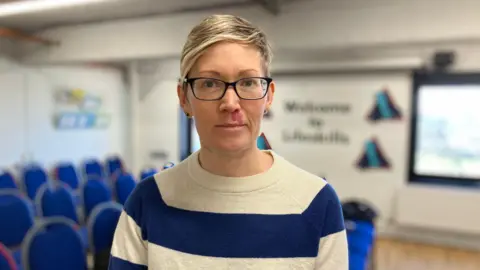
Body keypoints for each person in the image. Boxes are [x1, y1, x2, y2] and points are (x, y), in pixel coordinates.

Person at [109, 14, 348, 269]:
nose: (230, 103)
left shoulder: (317, 203)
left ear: (268, 96)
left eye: (247, 82)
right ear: (184, 98)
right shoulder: (147, 202)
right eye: (210, 83)